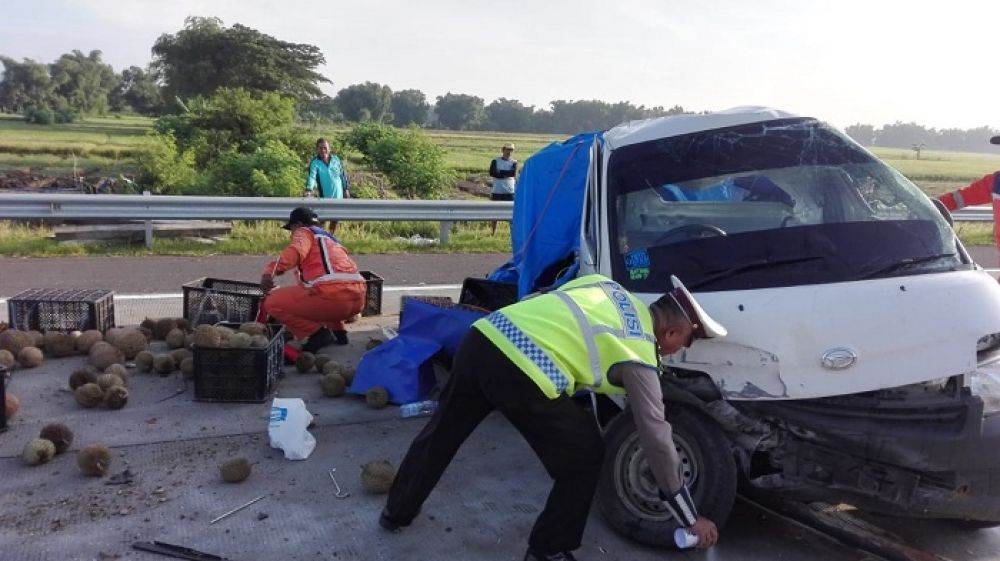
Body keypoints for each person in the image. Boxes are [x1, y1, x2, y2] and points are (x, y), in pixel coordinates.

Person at [379, 274, 726, 560]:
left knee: (442, 433)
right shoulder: (637, 349)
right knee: (585, 458)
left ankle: (396, 512)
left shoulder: (608, 287)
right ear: (672, 333)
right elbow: (655, 434)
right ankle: (548, 550)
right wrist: (689, 516)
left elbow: (552, 304)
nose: (677, 350)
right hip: (522, 371)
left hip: (484, 337)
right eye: (684, 342)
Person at [260, 206, 366, 352]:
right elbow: (335, 279)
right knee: (319, 290)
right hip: (357, 299)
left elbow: (296, 251)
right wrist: (339, 327)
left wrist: (270, 271)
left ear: (297, 225)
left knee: (271, 302)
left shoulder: (304, 232)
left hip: (331, 298)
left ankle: (317, 333)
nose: (292, 234)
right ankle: (339, 333)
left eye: (291, 229)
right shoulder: (330, 239)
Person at [305, 138, 351, 234]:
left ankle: (330, 238)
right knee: (322, 220)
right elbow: (312, 177)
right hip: (325, 197)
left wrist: (346, 189)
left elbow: (342, 175)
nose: (323, 150)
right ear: (317, 149)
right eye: (320, 148)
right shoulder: (315, 162)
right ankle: (320, 238)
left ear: (329, 149)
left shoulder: (336, 159)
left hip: (338, 197)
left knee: (335, 220)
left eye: (325, 148)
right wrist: (309, 189)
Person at [489, 143, 518, 235]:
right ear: (503, 150)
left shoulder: (514, 162)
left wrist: (500, 172)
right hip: (497, 190)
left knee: (511, 214)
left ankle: (512, 233)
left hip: (509, 191)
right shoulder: (495, 161)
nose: (509, 152)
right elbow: (493, 173)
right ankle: (493, 232)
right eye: (507, 149)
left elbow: (513, 173)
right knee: (494, 214)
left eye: (511, 150)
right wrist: (506, 173)